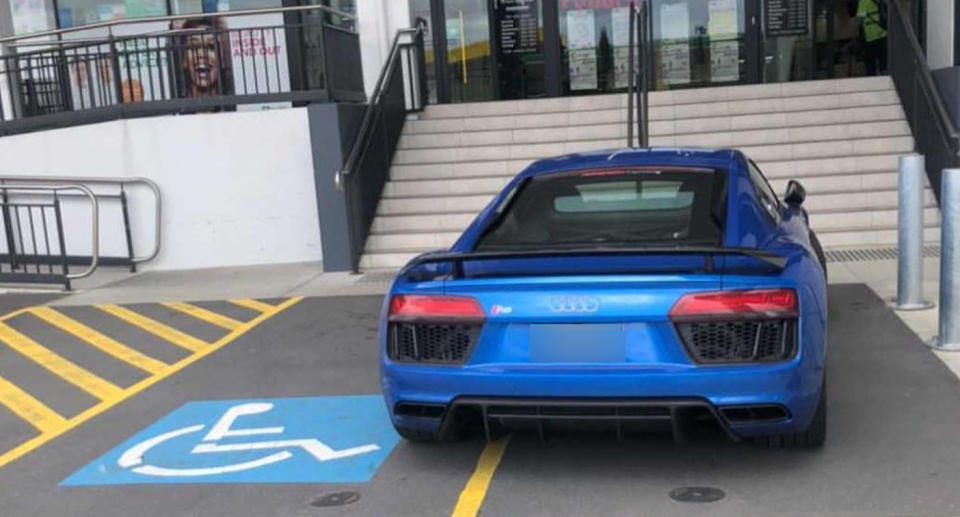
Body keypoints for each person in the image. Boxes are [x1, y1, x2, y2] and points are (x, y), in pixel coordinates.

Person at [171, 17, 234, 99]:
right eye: (193, 47)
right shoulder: (179, 108)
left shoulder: (231, 106)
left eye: (211, 47)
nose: (202, 54)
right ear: (184, 60)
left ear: (223, 59)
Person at [857, 0, 887, 76]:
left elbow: (860, 17)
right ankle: (884, 75)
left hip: (871, 36)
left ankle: (873, 78)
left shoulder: (863, 1)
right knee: (883, 61)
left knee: (870, 62)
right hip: (882, 32)